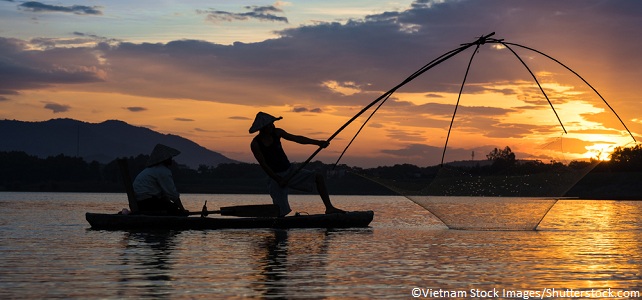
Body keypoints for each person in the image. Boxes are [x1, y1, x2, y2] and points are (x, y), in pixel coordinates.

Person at [249, 111, 345, 217]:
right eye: (270, 124)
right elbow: (264, 165)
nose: (273, 126)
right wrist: (278, 179)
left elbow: (297, 139)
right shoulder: (255, 144)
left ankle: (329, 208)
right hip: (275, 178)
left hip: (291, 172)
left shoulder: (277, 133)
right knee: (281, 212)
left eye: (272, 123)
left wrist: (318, 143)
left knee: (318, 177)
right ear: (263, 128)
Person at [133, 143, 188, 215]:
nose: (171, 159)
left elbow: (165, 195)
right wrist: (182, 210)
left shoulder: (150, 170)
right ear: (164, 159)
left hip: (138, 203)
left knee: (171, 206)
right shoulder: (163, 171)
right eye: (169, 157)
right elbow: (172, 194)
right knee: (174, 208)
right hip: (146, 202)